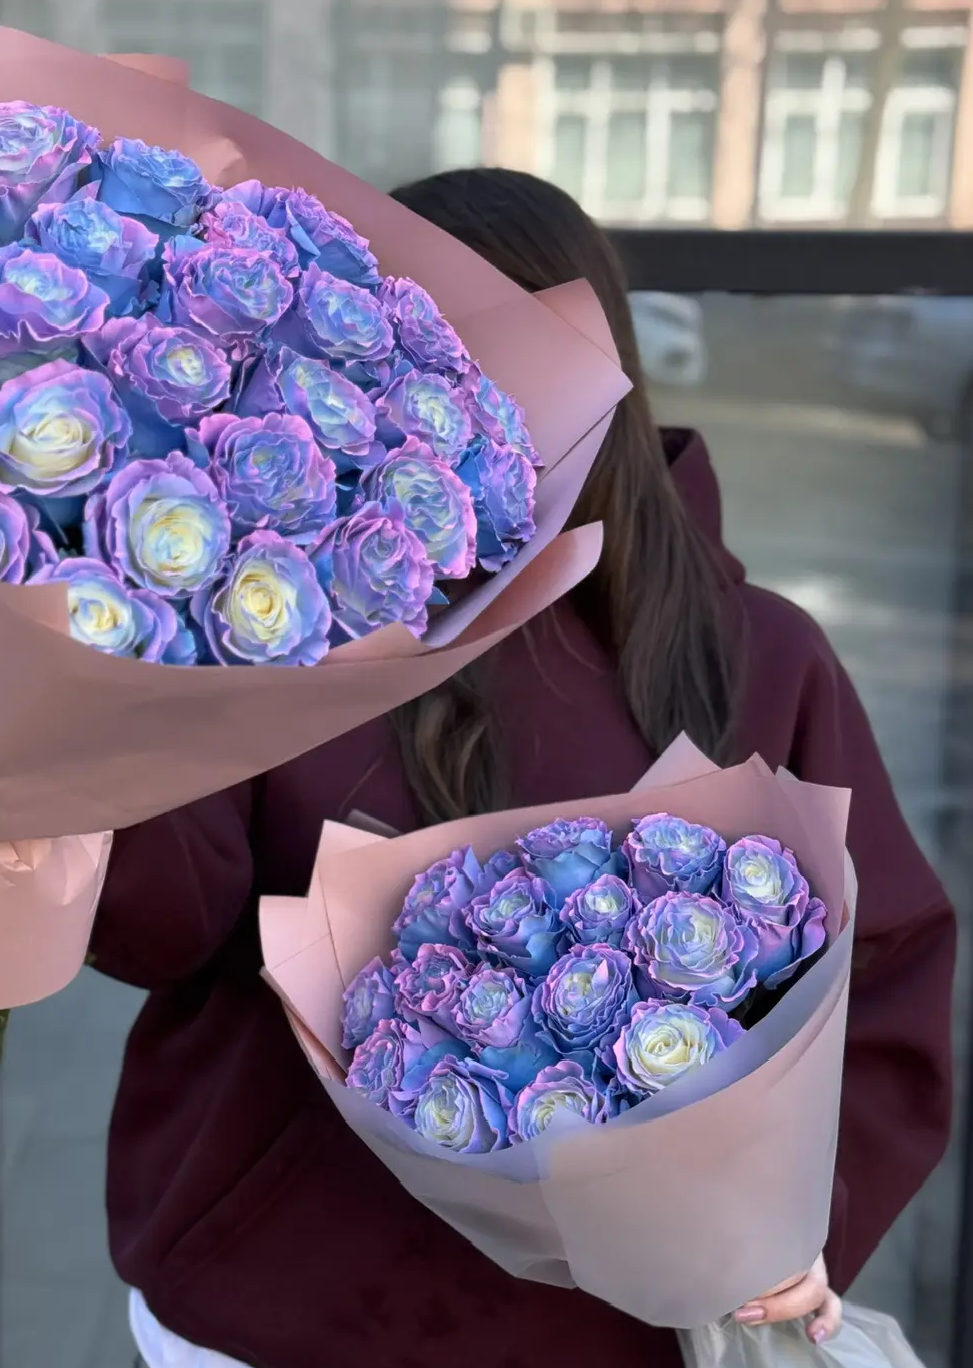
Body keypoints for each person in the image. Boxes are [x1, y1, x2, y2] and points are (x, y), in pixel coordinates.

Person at [89, 169, 956, 1367]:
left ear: (602, 372)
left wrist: (811, 1217)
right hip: (274, 1309)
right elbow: (160, 928)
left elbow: (889, 970)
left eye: (501, 349)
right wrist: (69, 724)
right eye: (401, 348)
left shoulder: (759, 656)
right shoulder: (276, 624)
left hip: (611, 1333)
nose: (451, 395)